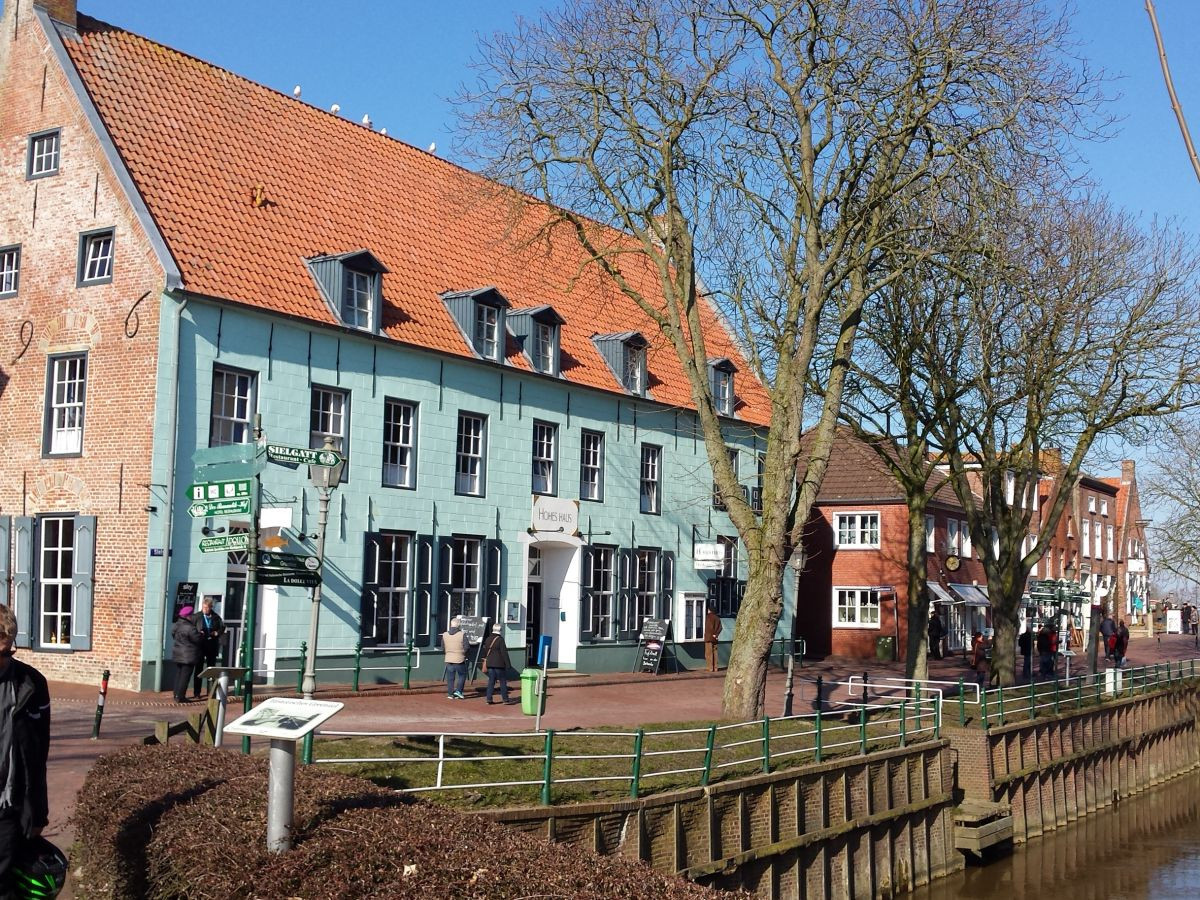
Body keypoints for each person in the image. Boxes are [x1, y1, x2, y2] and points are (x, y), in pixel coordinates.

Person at [0, 604, 51, 897]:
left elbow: (37, 753)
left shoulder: (30, 684)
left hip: (6, 808)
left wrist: (38, 812)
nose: (4, 661)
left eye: (8, 653)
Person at [190, 597, 226, 699]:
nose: (205, 610)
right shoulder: (197, 616)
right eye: (204, 607)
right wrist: (197, 633)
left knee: (211, 669)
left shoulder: (216, 617)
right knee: (199, 669)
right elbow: (191, 629)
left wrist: (217, 633)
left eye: (207, 608)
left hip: (212, 645)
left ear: (211, 607)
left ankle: (211, 691)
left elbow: (222, 627)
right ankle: (197, 692)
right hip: (200, 645)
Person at [171, 606, 202, 703]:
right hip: (188, 655)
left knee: (178, 675)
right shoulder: (190, 628)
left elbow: (173, 635)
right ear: (188, 616)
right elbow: (197, 640)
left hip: (177, 653)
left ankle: (176, 694)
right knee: (185, 677)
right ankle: (181, 696)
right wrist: (200, 634)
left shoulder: (176, 625)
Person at [481, 624, 514, 705]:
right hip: (499, 664)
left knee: (491, 682)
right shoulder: (500, 640)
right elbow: (504, 653)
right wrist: (508, 664)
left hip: (490, 664)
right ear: (500, 630)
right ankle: (505, 699)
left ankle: (489, 699)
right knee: (502, 682)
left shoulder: (488, 639)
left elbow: (485, 651)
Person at [441, 616, 467, 700]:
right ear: (459, 625)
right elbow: (467, 647)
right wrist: (463, 653)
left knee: (450, 677)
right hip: (459, 658)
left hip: (449, 658)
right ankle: (458, 691)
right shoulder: (462, 634)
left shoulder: (445, 635)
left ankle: (450, 693)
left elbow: (443, 647)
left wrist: (448, 652)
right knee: (462, 675)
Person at [704, 605, 722, 672]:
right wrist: (716, 635)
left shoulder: (708, 617)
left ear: (710, 610)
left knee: (708, 653)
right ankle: (715, 667)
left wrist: (711, 634)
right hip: (715, 638)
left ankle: (710, 667)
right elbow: (720, 628)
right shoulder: (717, 618)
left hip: (709, 637)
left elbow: (709, 627)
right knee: (715, 653)